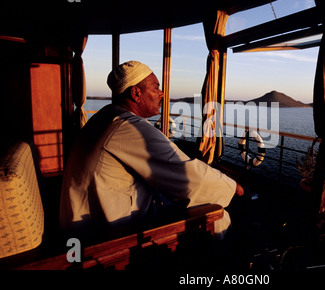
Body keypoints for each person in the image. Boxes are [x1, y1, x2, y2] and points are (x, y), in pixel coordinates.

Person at [59, 60, 244, 237]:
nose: (162, 94)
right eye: (156, 88)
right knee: (217, 215)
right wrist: (231, 186)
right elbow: (188, 175)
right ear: (136, 93)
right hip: (104, 234)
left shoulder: (106, 116)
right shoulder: (127, 126)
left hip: (83, 220)